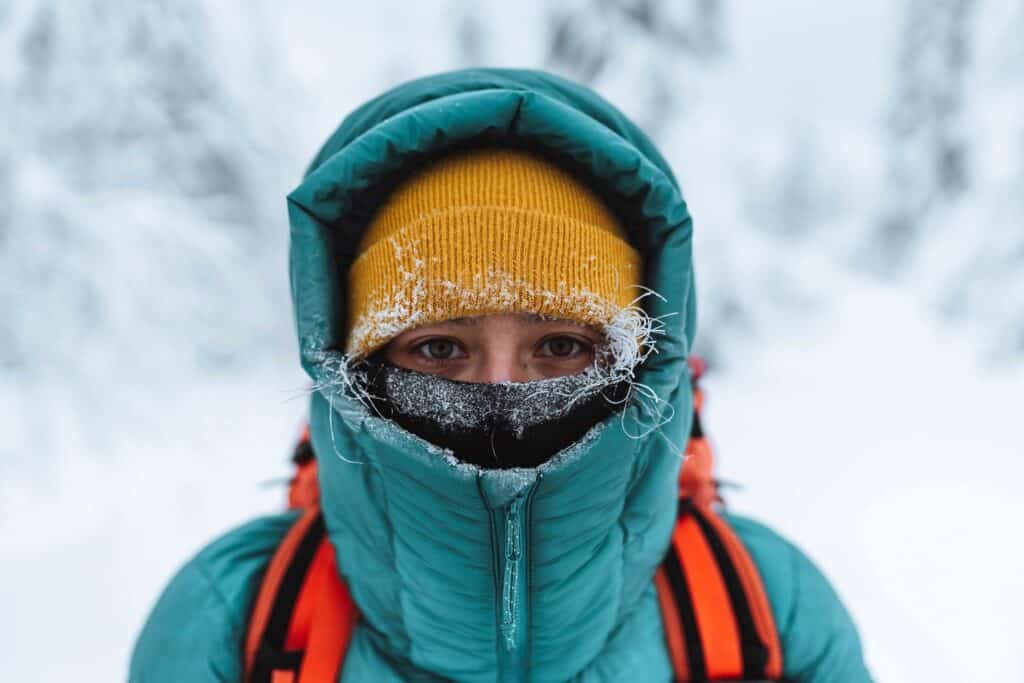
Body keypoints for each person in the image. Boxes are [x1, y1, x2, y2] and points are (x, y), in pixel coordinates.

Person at [130, 68, 872, 682]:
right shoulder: (229, 622)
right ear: (353, 368)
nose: (504, 390)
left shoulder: (767, 615)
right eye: (440, 348)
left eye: (559, 345)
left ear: (638, 360)